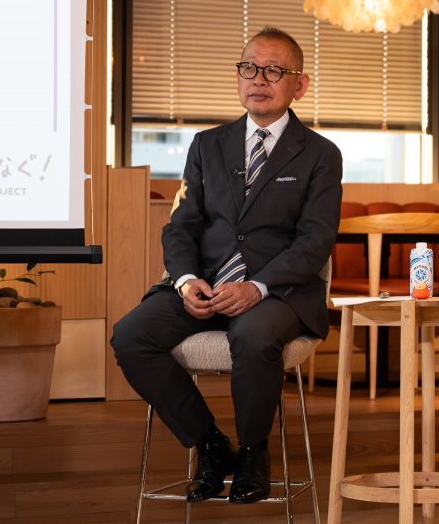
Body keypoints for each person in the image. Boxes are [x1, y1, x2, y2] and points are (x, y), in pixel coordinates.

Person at [111, 27, 343, 504]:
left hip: (279, 292)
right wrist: (186, 280)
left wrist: (257, 286)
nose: (259, 79)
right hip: (206, 283)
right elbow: (181, 226)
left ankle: (255, 454)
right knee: (131, 336)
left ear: (299, 85)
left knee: (253, 335)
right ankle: (212, 446)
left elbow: (315, 241)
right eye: (249, 68)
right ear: (238, 77)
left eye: (274, 70)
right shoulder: (207, 144)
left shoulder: (321, 154)